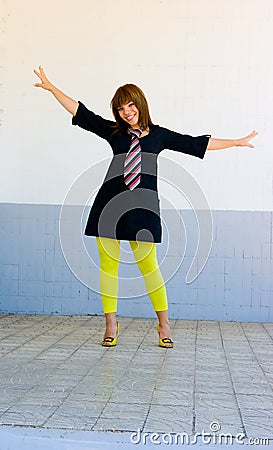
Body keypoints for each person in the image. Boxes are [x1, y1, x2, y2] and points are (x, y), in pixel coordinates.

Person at [33, 66, 258, 348]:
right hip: (109, 206)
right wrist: (53, 88)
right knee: (109, 267)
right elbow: (81, 112)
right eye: (120, 108)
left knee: (150, 267)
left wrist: (235, 142)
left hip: (144, 209)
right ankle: (111, 325)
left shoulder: (158, 136)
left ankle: (163, 325)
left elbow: (196, 143)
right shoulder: (114, 132)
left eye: (130, 105)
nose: (127, 112)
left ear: (140, 104)